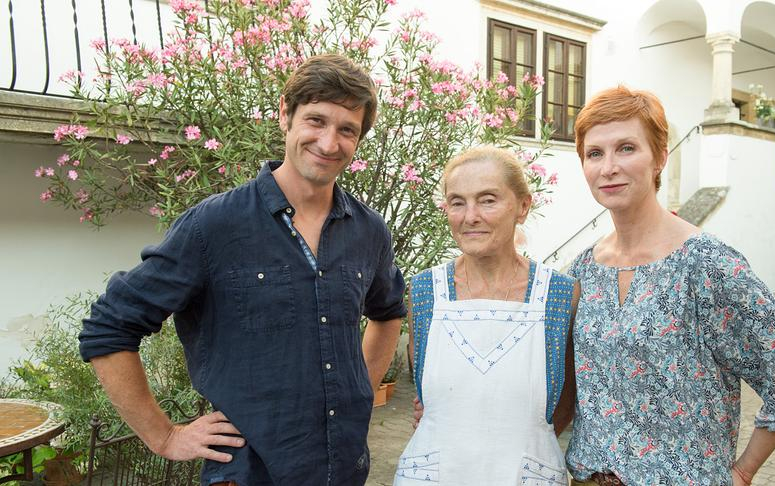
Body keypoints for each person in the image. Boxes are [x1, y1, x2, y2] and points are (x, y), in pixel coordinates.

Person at [78, 54, 406, 486]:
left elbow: (388, 312)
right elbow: (109, 326)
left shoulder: (369, 231)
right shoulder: (213, 226)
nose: (329, 143)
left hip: (344, 470)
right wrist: (165, 436)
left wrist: (359, 393)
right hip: (248, 474)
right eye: (316, 121)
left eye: (347, 130)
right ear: (285, 114)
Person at [565, 86, 775, 486]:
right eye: (594, 153)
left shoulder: (705, 263)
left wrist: (743, 471)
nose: (609, 167)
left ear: (660, 157)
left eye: (627, 148)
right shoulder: (584, 269)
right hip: (588, 479)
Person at [395, 146, 577, 485]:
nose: (470, 216)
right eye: (457, 202)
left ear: (523, 206)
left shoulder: (560, 295)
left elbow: (564, 403)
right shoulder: (424, 292)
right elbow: (430, 396)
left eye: (488, 200)